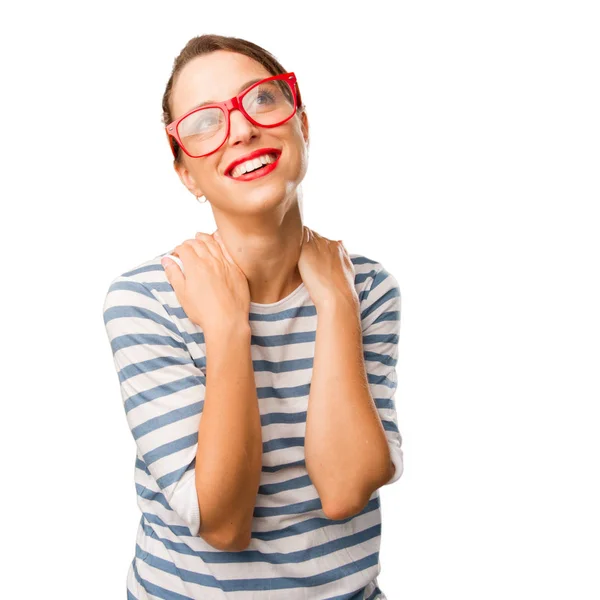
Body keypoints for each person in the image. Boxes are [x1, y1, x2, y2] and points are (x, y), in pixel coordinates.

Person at [103, 33, 404, 600]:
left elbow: (343, 491)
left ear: (303, 125)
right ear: (186, 174)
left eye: (262, 99)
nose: (241, 128)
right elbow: (222, 523)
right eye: (203, 122)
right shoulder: (144, 301)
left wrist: (337, 305)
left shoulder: (367, 288)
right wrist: (227, 328)